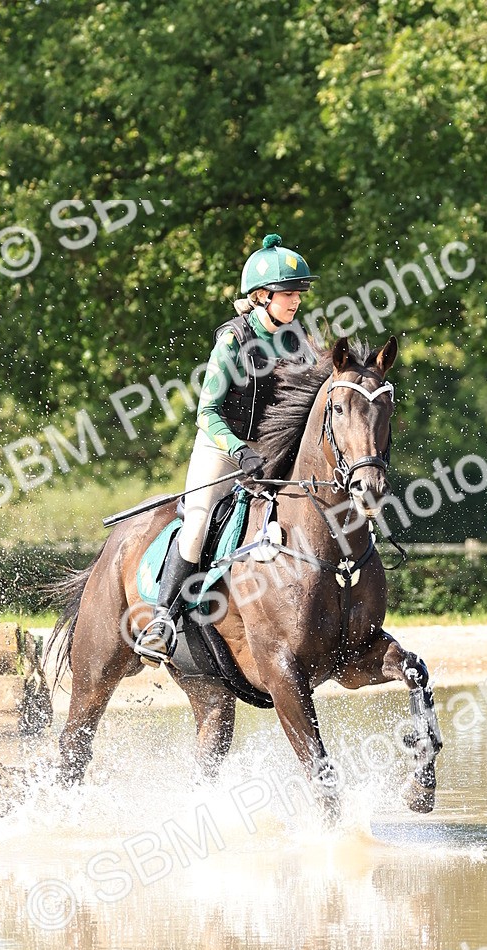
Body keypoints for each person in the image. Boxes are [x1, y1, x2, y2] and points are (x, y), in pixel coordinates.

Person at [134, 233, 318, 663]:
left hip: (273, 450)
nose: (296, 301)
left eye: (298, 294)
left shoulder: (298, 341)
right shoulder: (233, 341)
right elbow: (206, 412)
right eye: (288, 293)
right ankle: (162, 620)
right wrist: (239, 451)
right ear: (260, 296)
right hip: (223, 445)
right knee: (198, 521)